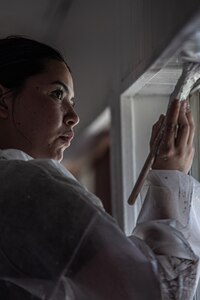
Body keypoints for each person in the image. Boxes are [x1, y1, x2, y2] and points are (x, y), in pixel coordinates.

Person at [0, 36, 199, 300]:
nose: (74, 116)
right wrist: (170, 179)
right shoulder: (28, 187)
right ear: (2, 102)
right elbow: (157, 292)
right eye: (57, 94)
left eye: (73, 100)